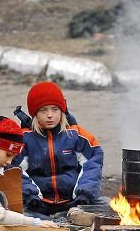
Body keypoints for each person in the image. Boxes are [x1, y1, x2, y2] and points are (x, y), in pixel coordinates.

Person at [8, 81, 104, 216]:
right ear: (34, 113)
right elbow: (14, 170)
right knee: (13, 212)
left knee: (109, 206)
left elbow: (94, 161)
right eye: (43, 110)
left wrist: (84, 193)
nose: (50, 115)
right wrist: (30, 195)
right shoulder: (24, 138)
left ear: (62, 110)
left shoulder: (75, 134)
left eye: (55, 109)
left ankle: (63, 217)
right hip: (37, 203)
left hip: (74, 201)